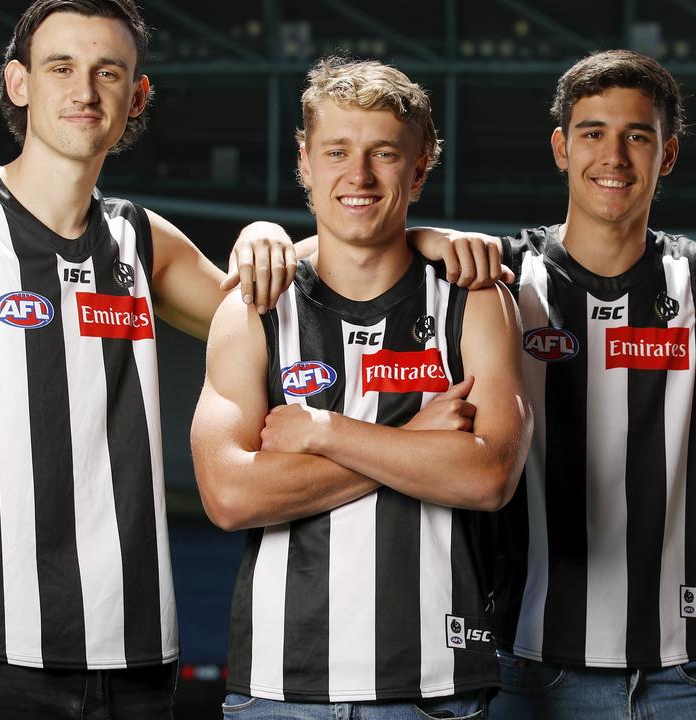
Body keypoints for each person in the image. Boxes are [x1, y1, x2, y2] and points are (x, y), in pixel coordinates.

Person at [236, 50, 696, 719]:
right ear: (561, 147)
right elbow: (354, 237)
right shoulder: (495, 271)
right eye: (592, 133)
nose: (613, 157)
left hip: (682, 673)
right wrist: (267, 238)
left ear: (667, 156)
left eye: (637, 136)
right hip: (524, 667)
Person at [0, 1, 295, 717]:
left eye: (107, 72)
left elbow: (292, 323)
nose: (85, 91)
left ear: (137, 97)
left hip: (142, 659)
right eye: (61, 68)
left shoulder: (143, 241)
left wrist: (283, 237)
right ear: (18, 83)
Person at [190, 57, 532, 718]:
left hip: (433, 690)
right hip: (278, 692)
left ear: (421, 166)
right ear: (305, 161)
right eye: (338, 151)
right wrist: (411, 443)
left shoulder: (472, 300)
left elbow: (488, 476)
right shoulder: (254, 307)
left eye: (384, 153)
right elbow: (230, 495)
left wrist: (325, 432)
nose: (360, 175)